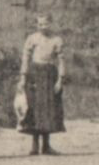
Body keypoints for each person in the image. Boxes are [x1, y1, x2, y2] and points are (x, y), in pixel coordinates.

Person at [18, 14, 66, 155]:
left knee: (48, 110)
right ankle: (34, 145)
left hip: (50, 75)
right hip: (34, 75)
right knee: (34, 108)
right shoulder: (32, 38)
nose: (43, 27)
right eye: (40, 24)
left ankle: (46, 145)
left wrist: (60, 80)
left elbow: (62, 60)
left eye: (46, 24)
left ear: (50, 24)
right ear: (36, 25)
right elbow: (25, 58)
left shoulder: (56, 40)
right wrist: (23, 77)